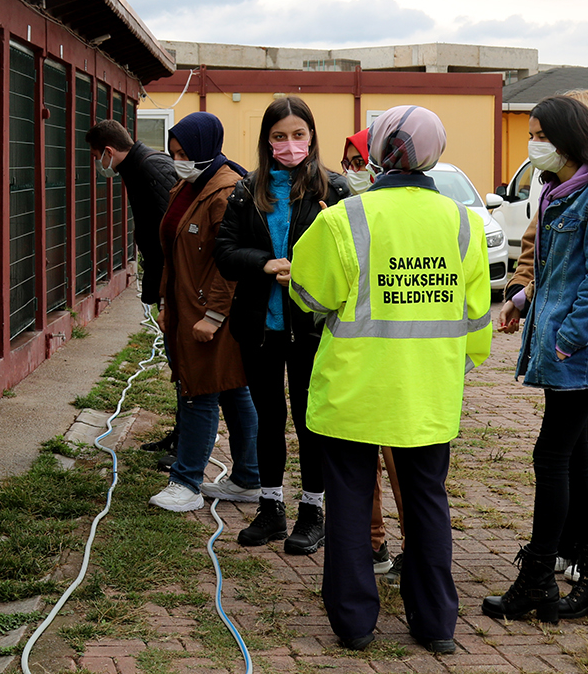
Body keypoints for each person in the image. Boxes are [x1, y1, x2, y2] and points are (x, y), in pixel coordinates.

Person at [290, 106, 492, 654]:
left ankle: (354, 624)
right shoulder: (464, 223)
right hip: (429, 390)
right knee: (427, 500)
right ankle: (436, 625)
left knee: (351, 501)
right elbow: (477, 318)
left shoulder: (343, 219)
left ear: (378, 153)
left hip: (353, 390)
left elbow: (309, 294)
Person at [483, 95, 588, 625]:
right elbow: (557, 269)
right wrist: (522, 300)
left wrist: (567, 339)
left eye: (541, 134)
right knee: (573, 459)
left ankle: (536, 582)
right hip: (565, 347)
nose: (534, 144)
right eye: (531, 133)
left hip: (585, 353)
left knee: (552, 458)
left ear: (568, 137)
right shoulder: (558, 191)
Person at [214, 97, 352, 554]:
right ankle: (271, 509)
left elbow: (353, 258)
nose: (290, 144)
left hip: (313, 328)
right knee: (267, 419)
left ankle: (314, 512)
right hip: (260, 328)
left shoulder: (334, 190)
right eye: (279, 136)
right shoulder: (245, 189)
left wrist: (310, 271)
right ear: (265, 140)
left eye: (298, 134)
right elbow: (225, 253)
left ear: (312, 136)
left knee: (311, 420)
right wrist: (265, 263)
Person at [149, 112, 260, 512]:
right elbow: (172, 253)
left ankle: (187, 481)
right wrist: (166, 302)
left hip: (212, 314)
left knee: (199, 391)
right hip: (187, 307)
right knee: (233, 388)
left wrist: (213, 316)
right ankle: (249, 477)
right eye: (174, 152)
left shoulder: (226, 190)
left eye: (184, 153)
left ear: (205, 148)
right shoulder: (189, 184)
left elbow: (229, 263)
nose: (179, 160)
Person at [88, 120, 182, 462]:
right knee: (177, 365)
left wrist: (163, 295)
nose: (98, 163)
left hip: (176, 285)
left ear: (109, 152)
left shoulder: (148, 168)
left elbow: (170, 236)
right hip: (165, 282)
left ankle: (187, 445)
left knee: (183, 366)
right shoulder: (138, 167)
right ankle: (181, 435)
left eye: (97, 156)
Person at [342, 128, 406, 578]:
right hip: (362, 362)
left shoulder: (402, 217)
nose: (352, 172)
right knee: (366, 468)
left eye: (359, 162)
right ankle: (374, 545)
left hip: (400, 366)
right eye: (347, 163)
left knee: (401, 463)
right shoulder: (343, 212)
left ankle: (418, 548)